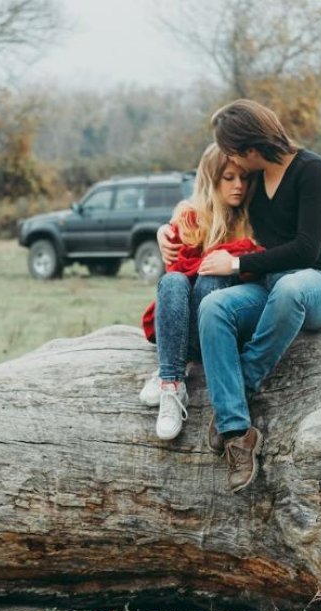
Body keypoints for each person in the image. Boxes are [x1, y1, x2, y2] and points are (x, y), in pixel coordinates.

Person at [161, 99, 321, 492]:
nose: (231, 162)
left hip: (318, 286)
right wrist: (166, 229)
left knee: (289, 287)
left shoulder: (311, 170)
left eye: (232, 150)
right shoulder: (253, 182)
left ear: (249, 147)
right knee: (214, 307)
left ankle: (238, 390)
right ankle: (236, 433)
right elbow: (206, 204)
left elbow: (306, 249)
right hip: (268, 286)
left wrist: (233, 265)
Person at [140, 142, 262, 440]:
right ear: (211, 179)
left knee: (209, 279)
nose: (238, 186)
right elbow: (175, 270)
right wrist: (163, 232)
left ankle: (170, 369)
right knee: (172, 281)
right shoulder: (191, 217)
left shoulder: (253, 219)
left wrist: (230, 261)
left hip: (219, 330)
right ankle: (172, 385)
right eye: (229, 177)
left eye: (244, 178)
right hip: (180, 325)